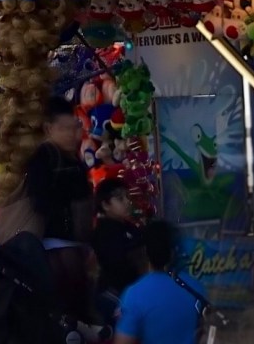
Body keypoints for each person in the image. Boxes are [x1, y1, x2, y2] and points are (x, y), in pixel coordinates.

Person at [23, 96, 96, 319]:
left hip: (73, 241)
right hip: (57, 243)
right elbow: (40, 200)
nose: (73, 135)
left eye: (75, 127)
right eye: (65, 129)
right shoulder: (44, 157)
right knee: (70, 305)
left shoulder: (71, 159)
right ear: (48, 128)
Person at [113, 220, 201, 344]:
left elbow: (123, 341)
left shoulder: (135, 294)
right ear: (176, 250)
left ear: (146, 252)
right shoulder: (195, 288)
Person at [91, 179, 141, 323]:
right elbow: (117, 266)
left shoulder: (128, 227)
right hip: (113, 294)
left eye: (127, 197)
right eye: (120, 199)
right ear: (105, 205)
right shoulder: (104, 232)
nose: (127, 202)